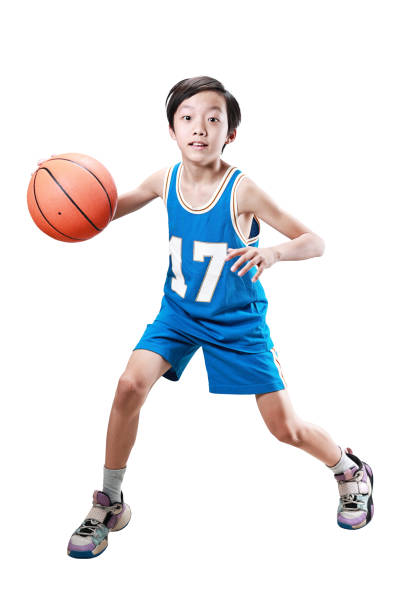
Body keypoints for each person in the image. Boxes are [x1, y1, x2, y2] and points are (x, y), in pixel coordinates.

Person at [67, 76, 374, 558]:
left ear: (230, 133)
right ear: (171, 129)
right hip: (180, 314)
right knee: (129, 385)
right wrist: (65, 197)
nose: (200, 128)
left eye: (214, 119)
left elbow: (314, 240)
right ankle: (110, 500)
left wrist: (272, 254)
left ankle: (348, 468)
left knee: (284, 429)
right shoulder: (161, 180)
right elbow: (99, 212)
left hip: (237, 322)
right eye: (188, 118)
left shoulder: (241, 190)